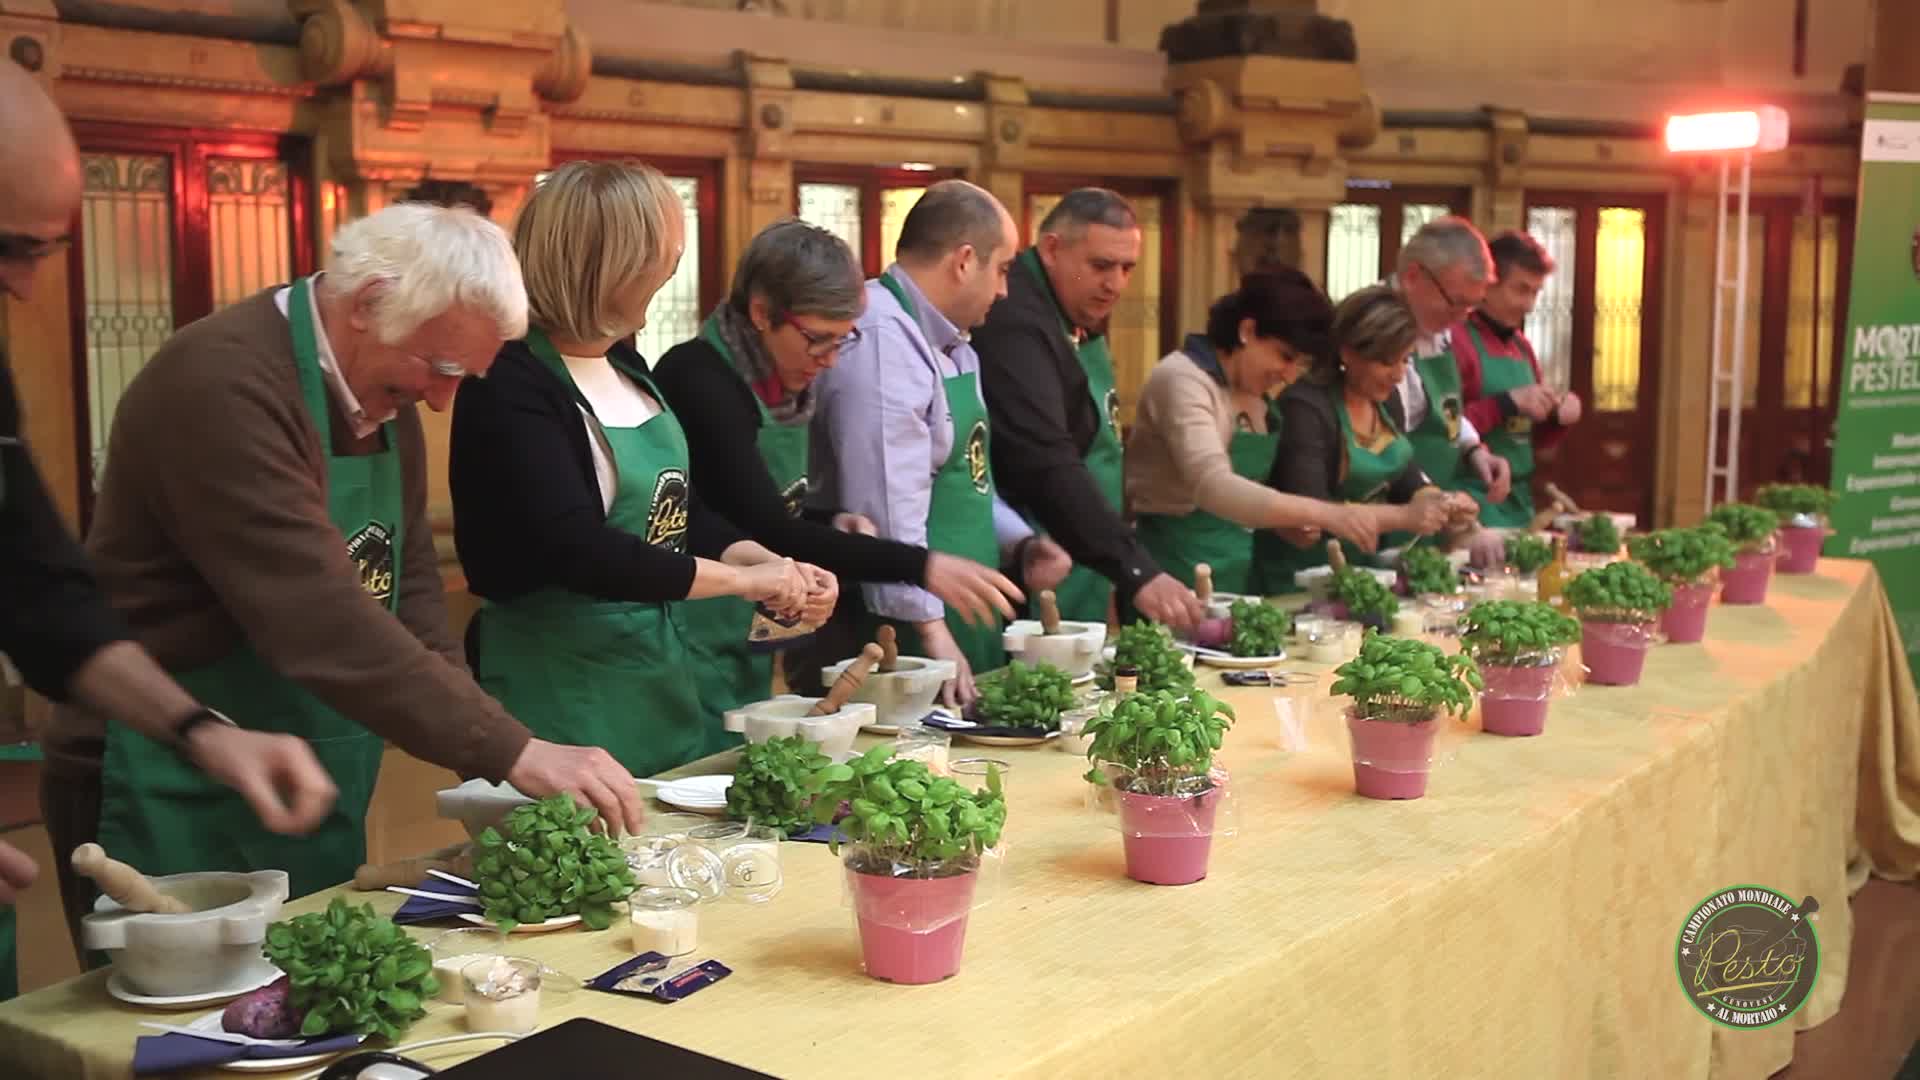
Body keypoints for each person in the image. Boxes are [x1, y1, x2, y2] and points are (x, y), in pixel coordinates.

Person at [43, 201, 651, 939]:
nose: (440, 399)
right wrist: (513, 750)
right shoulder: (223, 383)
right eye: (445, 367)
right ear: (368, 303)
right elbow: (315, 615)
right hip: (166, 774)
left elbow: (412, 589)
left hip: (309, 764)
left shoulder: (382, 387)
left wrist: (489, 768)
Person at [0, 59, 336, 997]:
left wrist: (201, 731)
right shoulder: (221, 383)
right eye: (9, 250)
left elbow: (39, 592)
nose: (26, 290)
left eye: (46, 253)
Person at [451, 161, 823, 778]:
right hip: (561, 692)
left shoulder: (626, 363)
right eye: (662, 254)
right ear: (609, 265)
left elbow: (678, 510)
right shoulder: (509, 381)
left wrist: (756, 558)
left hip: (654, 678)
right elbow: (576, 548)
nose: (673, 266)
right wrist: (739, 585)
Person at [652, 216, 1025, 715]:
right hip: (689, 634)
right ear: (762, 312)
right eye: (818, 338)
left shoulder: (782, 384)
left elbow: (756, 508)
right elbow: (762, 527)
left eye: (842, 340)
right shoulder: (701, 380)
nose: (829, 360)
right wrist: (920, 566)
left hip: (744, 632)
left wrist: (828, 521)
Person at [811, 181, 1074, 705]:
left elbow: (963, 472)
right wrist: (932, 631)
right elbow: (883, 504)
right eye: (1002, 270)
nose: (1004, 291)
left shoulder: (950, 341)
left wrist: (1019, 541)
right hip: (899, 628)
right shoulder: (885, 336)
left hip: (958, 603)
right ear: (963, 260)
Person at [972, 188, 1202, 630]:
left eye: (1127, 268)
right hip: (1040, 553)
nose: (1115, 283)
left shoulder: (1074, 312)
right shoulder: (1016, 321)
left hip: (1089, 554)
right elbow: (1042, 459)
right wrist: (1133, 567)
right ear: (1053, 249)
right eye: (1101, 266)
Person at [1125, 270, 1384, 594]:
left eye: (1300, 364)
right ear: (1247, 330)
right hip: (1172, 571)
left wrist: (1284, 525)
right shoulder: (1182, 380)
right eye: (1284, 356)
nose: (1289, 375)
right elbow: (1213, 485)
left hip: (1239, 571)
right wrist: (1328, 513)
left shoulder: (1256, 390)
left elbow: (1248, 495)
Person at [1252, 285, 1477, 589]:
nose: (1398, 375)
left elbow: (1405, 476)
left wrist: (1441, 503)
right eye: (1387, 362)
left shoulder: (1384, 400)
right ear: (1348, 352)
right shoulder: (1306, 408)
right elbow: (1313, 512)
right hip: (1297, 580)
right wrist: (1405, 517)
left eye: (1405, 361)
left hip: (1358, 574)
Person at [1452, 230, 1582, 527]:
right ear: (1488, 282)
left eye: (1536, 292)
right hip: (1471, 501)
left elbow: (1529, 439)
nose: (1529, 305)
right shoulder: (1457, 340)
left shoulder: (1522, 347)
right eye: (1521, 290)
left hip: (1519, 502)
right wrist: (1507, 403)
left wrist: (1557, 418)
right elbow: (1443, 427)